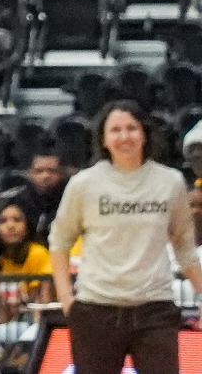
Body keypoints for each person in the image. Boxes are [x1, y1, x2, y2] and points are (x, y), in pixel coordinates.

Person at [50, 99, 202, 374]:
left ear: (144, 134)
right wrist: (66, 297)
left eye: (131, 128)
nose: (124, 136)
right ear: (104, 140)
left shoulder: (171, 182)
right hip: (96, 309)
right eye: (115, 130)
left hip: (155, 309)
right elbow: (59, 241)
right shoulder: (83, 184)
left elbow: (184, 246)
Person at [0, 198, 51, 323]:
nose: (10, 226)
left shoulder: (38, 253)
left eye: (17, 220)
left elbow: (43, 304)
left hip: (35, 319)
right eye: (3, 221)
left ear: (27, 225)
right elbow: (1, 312)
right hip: (9, 323)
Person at [15, 150, 70, 238]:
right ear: (29, 174)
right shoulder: (15, 202)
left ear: (62, 174)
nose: (46, 176)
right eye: (39, 171)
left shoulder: (73, 200)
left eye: (52, 171)